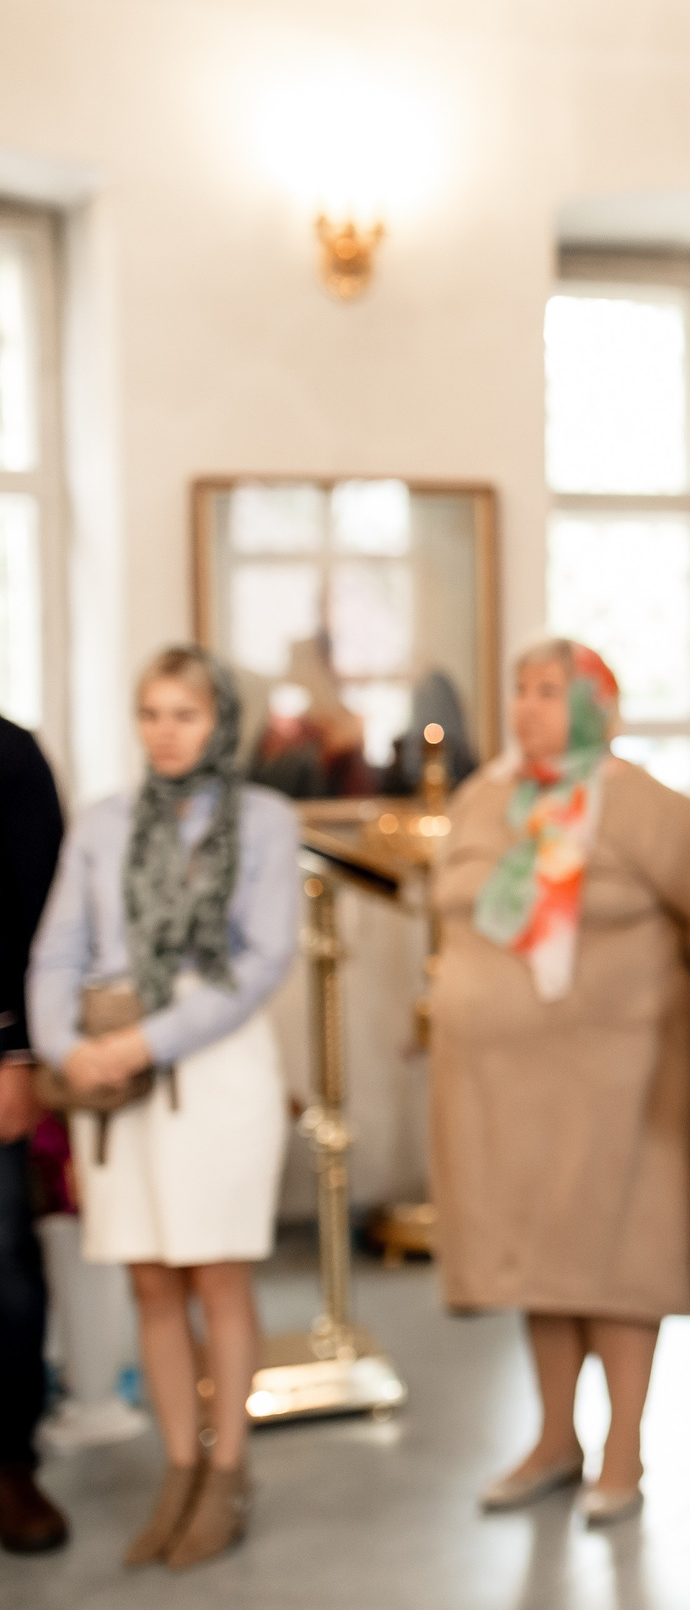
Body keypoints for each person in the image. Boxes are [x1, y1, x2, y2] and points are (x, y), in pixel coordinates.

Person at [429, 639, 690, 1526]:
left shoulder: (641, 806)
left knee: (617, 1264)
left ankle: (623, 1451)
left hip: (621, 1083)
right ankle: (554, 1436)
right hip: (502, 1093)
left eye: (551, 691)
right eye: (521, 690)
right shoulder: (483, 797)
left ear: (599, 705)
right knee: (543, 1265)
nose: (529, 706)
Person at [27, 647, 302, 1570]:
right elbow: (59, 948)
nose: (166, 731)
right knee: (149, 1278)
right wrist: (68, 1051)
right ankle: (178, 1467)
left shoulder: (262, 819)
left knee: (215, 1274)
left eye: (185, 713)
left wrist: (144, 1042)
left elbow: (260, 960)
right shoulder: (104, 822)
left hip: (213, 1070)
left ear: (220, 719)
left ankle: (229, 1470)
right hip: (113, 1079)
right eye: (151, 712)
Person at [0, 715, 67, 1556]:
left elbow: (35, 916)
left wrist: (16, 1053)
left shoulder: (11, 756)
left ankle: (10, 1461)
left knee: (3, 1263)